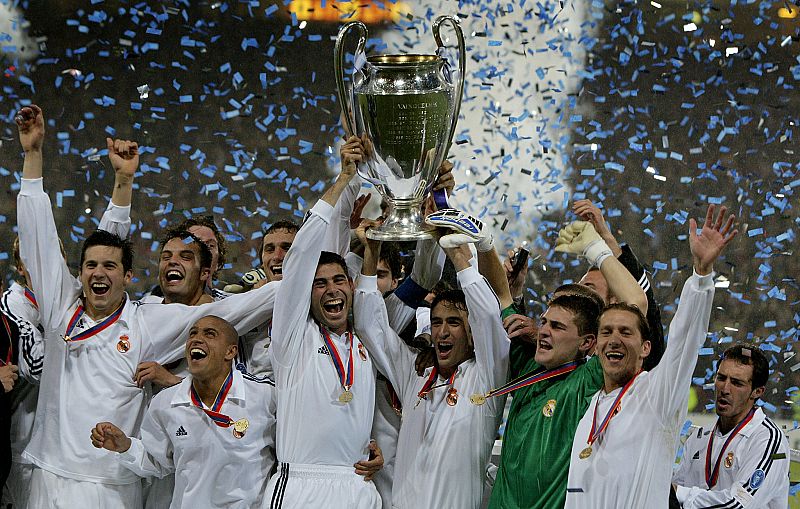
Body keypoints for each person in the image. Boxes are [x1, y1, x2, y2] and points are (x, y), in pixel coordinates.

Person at [15, 104, 281, 508]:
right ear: (78, 273)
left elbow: (232, 312)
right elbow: (39, 237)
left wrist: (297, 279)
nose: (98, 273)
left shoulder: (147, 321)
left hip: (113, 483)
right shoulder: (60, 309)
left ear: (128, 277)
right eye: (90, 266)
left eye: (110, 267)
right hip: (50, 475)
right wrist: (33, 155)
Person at [564, 204, 738, 509]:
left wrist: (701, 277)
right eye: (606, 332)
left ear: (646, 347)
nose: (614, 340)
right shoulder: (592, 407)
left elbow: (685, 340)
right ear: (596, 344)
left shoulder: (656, 396)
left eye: (625, 332)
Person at [487, 219, 648, 509]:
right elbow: (502, 297)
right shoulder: (529, 368)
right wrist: (513, 284)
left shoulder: (586, 382)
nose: (544, 331)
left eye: (558, 327)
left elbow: (637, 303)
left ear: (588, 343)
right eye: (544, 322)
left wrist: (595, 248)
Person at [354, 223, 510, 508]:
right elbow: (369, 327)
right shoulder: (416, 372)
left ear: (472, 333)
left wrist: (457, 256)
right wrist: (372, 250)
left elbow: (488, 317)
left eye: (454, 323)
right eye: (437, 322)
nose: (443, 332)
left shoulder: (486, 379)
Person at [264, 141, 382, 508]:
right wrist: (345, 178)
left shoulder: (364, 340)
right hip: (302, 486)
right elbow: (301, 254)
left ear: (351, 286)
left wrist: (371, 447)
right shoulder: (293, 337)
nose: (331, 289)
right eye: (319, 283)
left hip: (357, 484)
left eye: (338, 280)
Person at [91, 315, 277, 508]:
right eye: (192, 334)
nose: (196, 339)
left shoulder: (266, 396)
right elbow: (157, 461)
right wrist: (126, 446)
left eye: (209, 334)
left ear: (230, 351)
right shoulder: (165, 403)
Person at [672, 344, 789, 508]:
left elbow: (738, 505)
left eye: (736, 383)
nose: (725, 389)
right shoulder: (699, 437)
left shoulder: (768, 440)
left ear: (757, 391)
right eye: (721, 378)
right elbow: (672, 496)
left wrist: (680, 493)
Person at [571, 199, 665, 370]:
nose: (579, 294)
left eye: (589, 288)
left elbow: (643, 301)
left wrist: (605, 236)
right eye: (579, 287)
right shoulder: (567, 350)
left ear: (615, 300)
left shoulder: (632, 352)